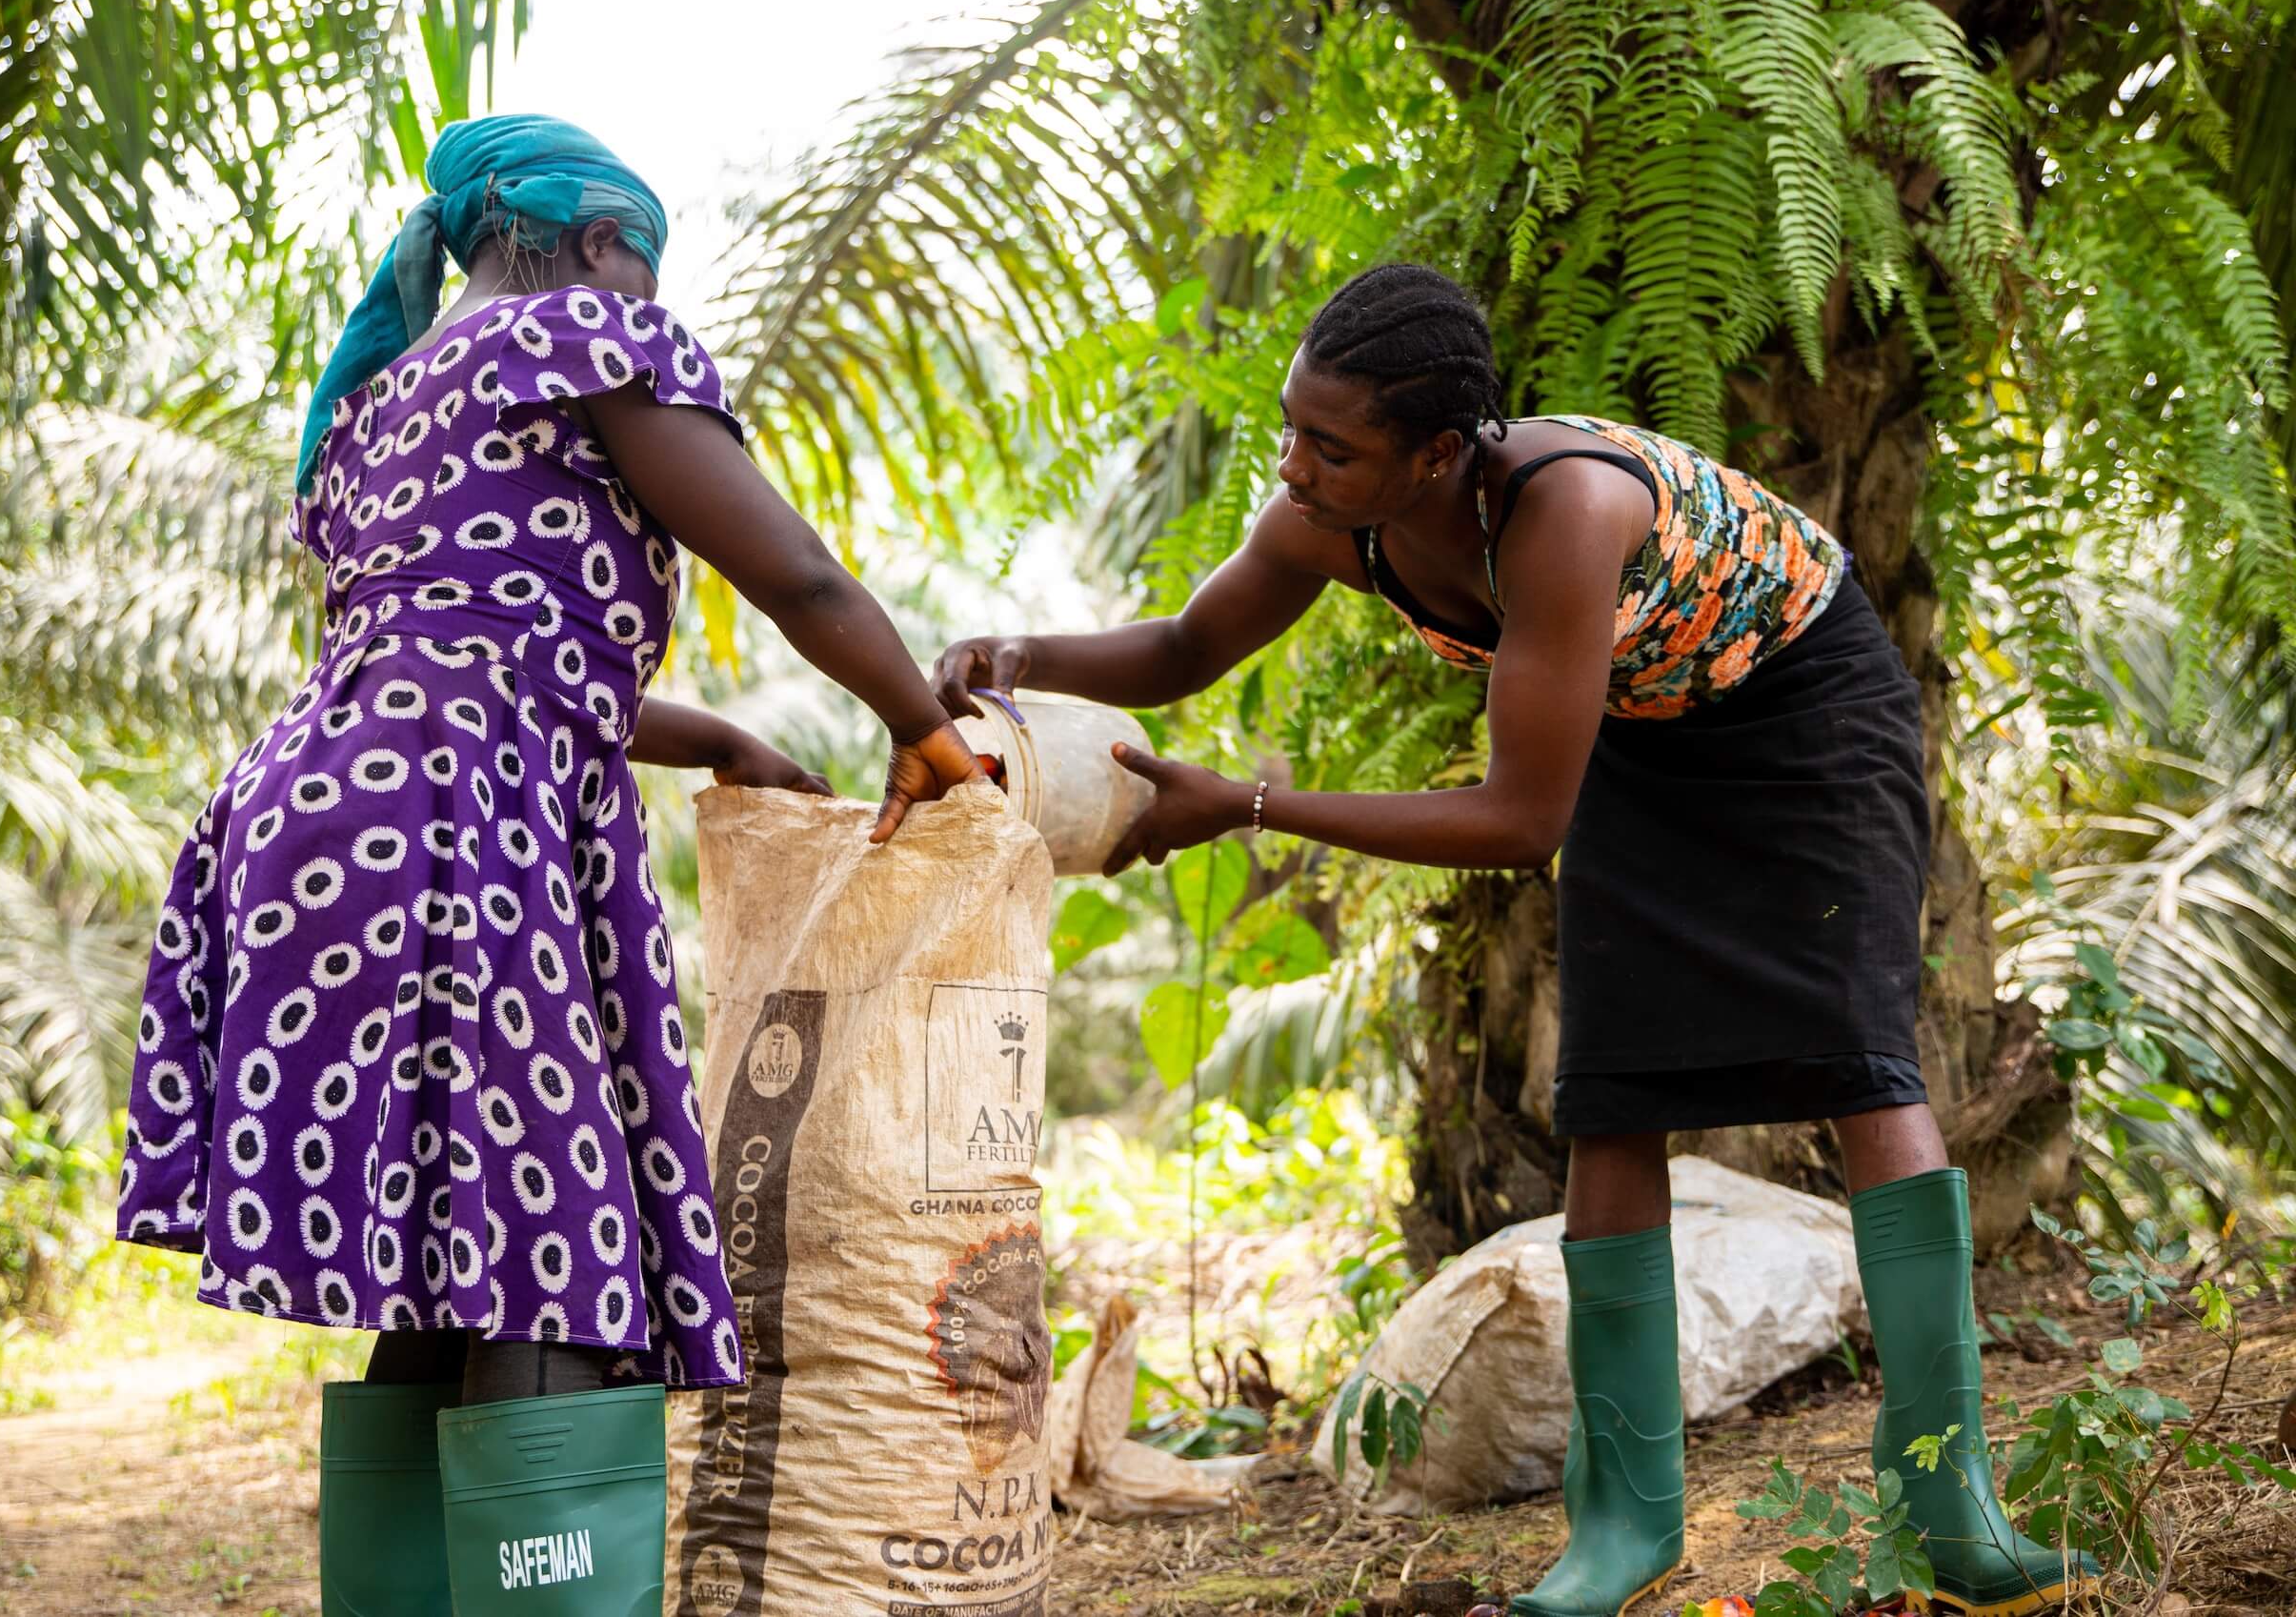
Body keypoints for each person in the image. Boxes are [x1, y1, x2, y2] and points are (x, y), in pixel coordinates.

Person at [934, 263, 2097, 1617]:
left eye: (1331, 446)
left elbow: (1520, 818)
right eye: (1293, 431)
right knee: (1615, 1093)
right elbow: (1190, 646)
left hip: (1802, 712)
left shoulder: (1566, 510)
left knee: (1862, 1064)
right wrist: (1023, 653)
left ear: (1439, 454)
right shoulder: (1327, 520)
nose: (1295, 468)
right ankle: (1625, 1528)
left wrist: (1246, 806)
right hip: (1639, 729)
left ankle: (1952, 1509)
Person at [117, 115, 979, 1617]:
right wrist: (928, 731)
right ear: (595, 244)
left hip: (317, 821)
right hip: (454, 819)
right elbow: (795, 574)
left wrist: (721, 739)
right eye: (646, 271)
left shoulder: (383, 406)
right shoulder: (581, 337)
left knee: (457, 1243)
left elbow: (479, 640)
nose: (653, 305)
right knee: (548, 1244)